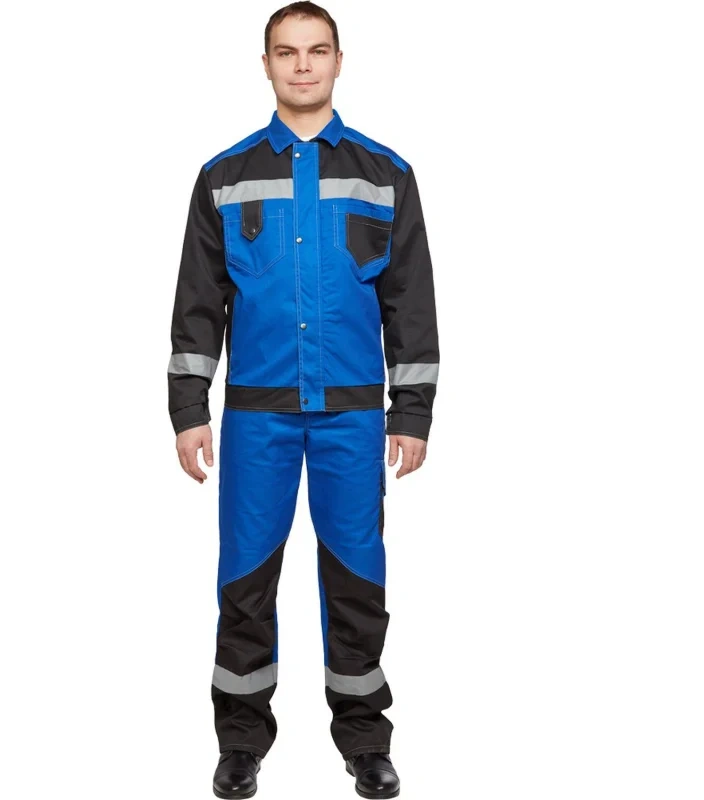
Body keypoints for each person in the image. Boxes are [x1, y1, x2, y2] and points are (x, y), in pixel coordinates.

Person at [167, 3, 439, 797]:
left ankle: (365, 741)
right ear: (266, 65)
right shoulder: (223, 176)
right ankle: (240, 742)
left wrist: (412, 413)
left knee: (357, 578)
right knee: (245, 578)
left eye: (317, 51)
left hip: (353, 414)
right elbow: (197, 301)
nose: (303, 65)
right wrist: (189, 409)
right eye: (286, 53)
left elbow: (411, 302)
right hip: (257, 415)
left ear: (339, 61)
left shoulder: (386, 174)